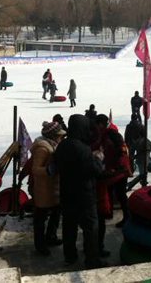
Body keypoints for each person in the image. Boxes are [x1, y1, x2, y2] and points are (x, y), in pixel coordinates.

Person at [54, 114, 107, 269]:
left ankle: (70, 256)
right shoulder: (83, 149)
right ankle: (92, 260)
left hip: (67, 193)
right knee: (91, 229)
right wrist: (98, 158)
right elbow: (94, 171)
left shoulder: (63, 145)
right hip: (84, 195)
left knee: (69, 228)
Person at [31, 121, 66, 255]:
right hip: (44, 189)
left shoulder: (53, 145)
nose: (61, 137)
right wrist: (49, 170)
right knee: (41, 218)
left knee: (56, 213)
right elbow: (35, 169)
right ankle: (40, 245)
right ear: (53, 136)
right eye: (59, 135)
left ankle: (51, 237)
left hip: (54, 187)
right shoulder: (42, 148)